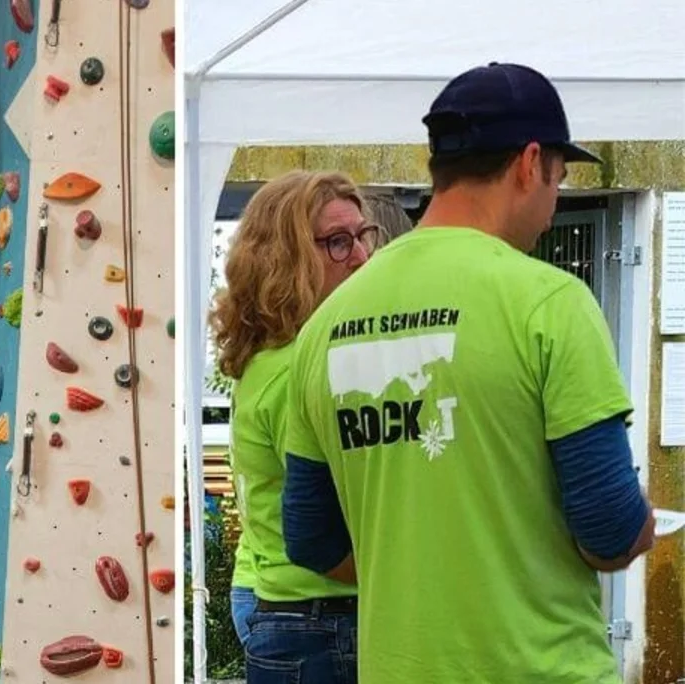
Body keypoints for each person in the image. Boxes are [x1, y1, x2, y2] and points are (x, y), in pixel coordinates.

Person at [281, 62, 655, 684]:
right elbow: (609, 532)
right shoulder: (549, 302)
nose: (553, 199)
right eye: (558, 178)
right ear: (530, 163)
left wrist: (421, 570)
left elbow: (310, 539)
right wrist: (643, 524)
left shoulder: (326, 324)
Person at [210, 170, 381, 684]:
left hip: (293, 606)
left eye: (362, 236)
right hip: (319, 614)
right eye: (337, 242)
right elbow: (332, 518)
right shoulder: (297, 367)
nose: (360, 256)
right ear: (286, 258)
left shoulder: (278, 353)